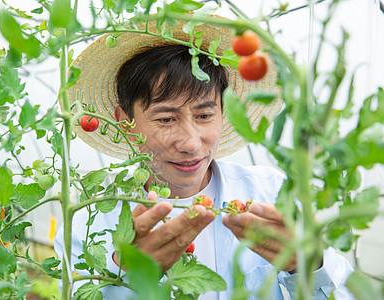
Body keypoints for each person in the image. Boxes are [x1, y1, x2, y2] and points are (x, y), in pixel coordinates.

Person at [55, 18, 354, 299]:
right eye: (166, 119)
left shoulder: (271, 195)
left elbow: (347, 291)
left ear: (224, 113)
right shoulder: (87, 226)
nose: (191, 142)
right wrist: (126, 281)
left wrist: (308, 265)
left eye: (204, 115)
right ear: (126, 122)